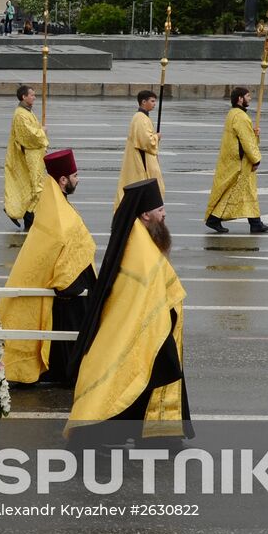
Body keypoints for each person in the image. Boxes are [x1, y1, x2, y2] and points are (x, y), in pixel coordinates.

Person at [67, 178, 191, 445]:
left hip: (149, 325)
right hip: (146, 327)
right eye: (159, 209)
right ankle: (151, 437)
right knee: (136, 377)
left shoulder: (137, 238)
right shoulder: (140, 250)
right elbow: (147, 292)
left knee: (144, 379)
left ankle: (152, 435)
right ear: (145, 214)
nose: (164, 213)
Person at [0, 149, 96, 386]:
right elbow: (65, 248)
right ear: (63, 181)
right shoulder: (59, 214)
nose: (78, 179)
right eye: (74, 175)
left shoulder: (54, 203)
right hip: (67, 286)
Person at [205, 86, 268, 233]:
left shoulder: (232, 113)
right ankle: (214, 219)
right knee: (234, 191)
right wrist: (256, 159)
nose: (250, 98)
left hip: (237, 159)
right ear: (240, 99)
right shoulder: (241, 117)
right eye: (247, 96)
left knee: (248, 191)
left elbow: (245, 137)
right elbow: (246, 141)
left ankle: (256, 223)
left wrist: (255, 134)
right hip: (240, 162)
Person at [3, 85, 48, 230]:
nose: (34, 97)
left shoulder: (27, 112)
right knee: (37, 188)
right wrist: (42, 131)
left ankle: (30, 217)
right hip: (30, 156)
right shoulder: (20, 114)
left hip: (35, 155)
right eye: (32, 95)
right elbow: (28, 136)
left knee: (34, 187)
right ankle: (30, 218)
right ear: (24, 97)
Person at [114, 89, 164, 209]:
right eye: (152, 101)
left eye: (155, 101)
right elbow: (146, 142)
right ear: (143, 102)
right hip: (142, 160)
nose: (154, 104)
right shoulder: (140, 118)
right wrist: (156, 137)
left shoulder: (142, 117)